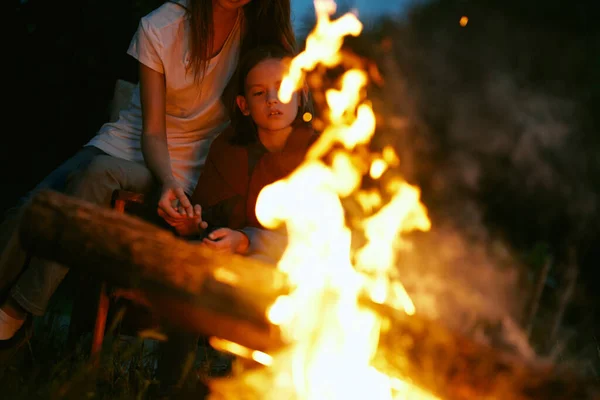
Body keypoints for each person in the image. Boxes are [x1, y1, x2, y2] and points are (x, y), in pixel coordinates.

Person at [0, 0, 295, 358]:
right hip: (133, 145)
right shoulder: (162, 26)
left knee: (95, 175)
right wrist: (167, 180)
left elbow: (281, 98)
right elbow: (152, 132)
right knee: (32, 207)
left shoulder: (257, 31)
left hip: (197, 164)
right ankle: (13, 316)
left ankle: (16, 312)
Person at [152, 44, 315, 395]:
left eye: (284, 88)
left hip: (294, 271)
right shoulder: (227, 148)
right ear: (243, 105)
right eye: (259, 93)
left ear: (300, 95)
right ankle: (171, 386)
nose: (273, 100)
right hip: (223, 263)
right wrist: (194, 225)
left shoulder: (321, 151)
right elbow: (211, 217)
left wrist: (247, 241)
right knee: (191, 272)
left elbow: (324, 238)